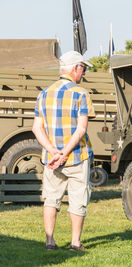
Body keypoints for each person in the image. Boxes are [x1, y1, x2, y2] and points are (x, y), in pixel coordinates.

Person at [32, 50, 95, 251]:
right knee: (78, 200)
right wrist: (65, 153)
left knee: (51, 198)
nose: (83, 73)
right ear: (76, 68)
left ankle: (50, 241)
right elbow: (81, 129)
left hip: (51, 159)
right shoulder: (81, 93)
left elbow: (36, 128)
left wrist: (53, 151)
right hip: (77, 156)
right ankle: (75, 243)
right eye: (83, 68)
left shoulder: (43, 94)